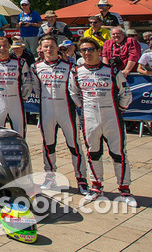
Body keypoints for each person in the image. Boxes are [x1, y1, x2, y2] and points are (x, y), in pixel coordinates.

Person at [69, 37, 135, 206]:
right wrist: (83, 109)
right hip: (90, 118)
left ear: (98, 51)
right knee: (93, 153)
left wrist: (119, 109)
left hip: (112, 117)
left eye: (91, 49)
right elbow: (74, 93)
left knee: (118, 154)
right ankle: (96, 187)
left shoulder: (112, 71)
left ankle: (124, 189)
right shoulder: (76, 72)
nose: (87, 53)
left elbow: (126, 93)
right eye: (83, 50)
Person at [30, 35, 88, 193]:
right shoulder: (36, 67)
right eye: (45, 46)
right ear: (40, 49)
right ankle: (50, 177)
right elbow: (36, 88)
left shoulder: (69, 66)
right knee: (48, 145)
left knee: (74, 145)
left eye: (51, 46)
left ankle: (81, 179)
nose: (49, 49)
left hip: (66, 110)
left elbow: (75, 89)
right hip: (46, 110)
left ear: (57, 47)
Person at [0, 36, 32, 137]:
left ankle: (19, 152)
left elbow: (27, 82)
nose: (2, 48)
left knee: (20, 133)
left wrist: (24, 97)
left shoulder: (20, 62)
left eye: (4, 46)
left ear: (9, 46)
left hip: (16, 101)